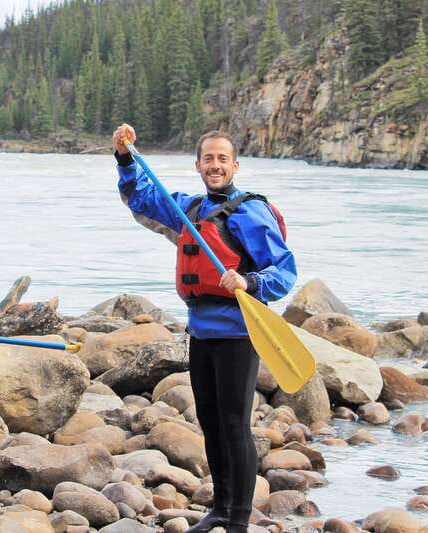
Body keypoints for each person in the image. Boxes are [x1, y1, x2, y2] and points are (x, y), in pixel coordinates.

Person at [112, 124, 296, 533]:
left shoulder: (251, 211)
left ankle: (240, 521)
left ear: (235, 165)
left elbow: (284, 272)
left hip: (237, 332)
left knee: (234, 423)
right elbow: (141, 197)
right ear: (198, 165)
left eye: (222, 159)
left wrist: (250, 282)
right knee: (210, 422)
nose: (215, 165)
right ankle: (220, 508)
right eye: (208, 158)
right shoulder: (188, 209)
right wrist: (125, 157)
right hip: (201, 332)